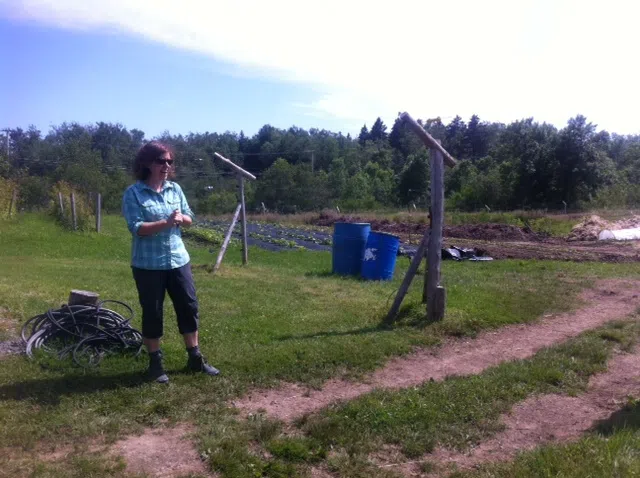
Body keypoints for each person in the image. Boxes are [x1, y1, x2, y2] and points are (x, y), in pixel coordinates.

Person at [122, 141, 219, 383]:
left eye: (169, 161)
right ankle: (155, 364)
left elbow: (190, 217)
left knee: (188, 306)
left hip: (178, 260)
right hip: (148, 264)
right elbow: (137, 229)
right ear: (146, 163)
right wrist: (165, 222)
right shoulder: (133, 193)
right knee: (153, 312)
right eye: (160, 161)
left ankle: (195, 358)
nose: (166, 165)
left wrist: (181, 219)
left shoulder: (175, 189)